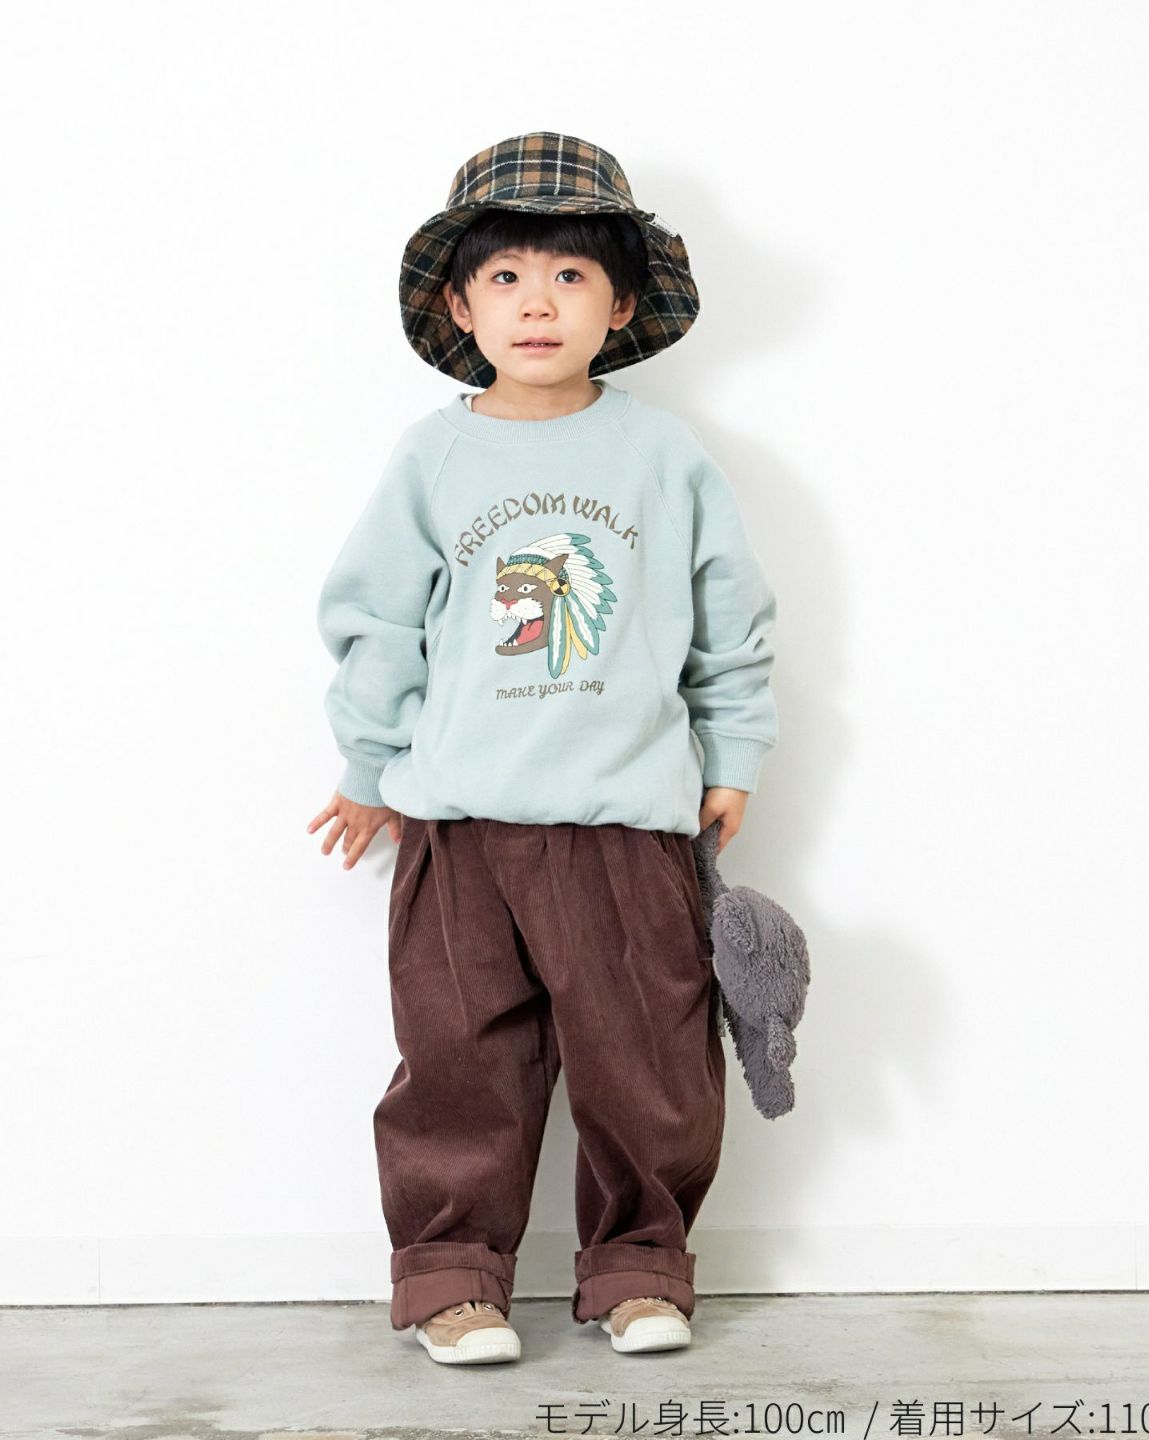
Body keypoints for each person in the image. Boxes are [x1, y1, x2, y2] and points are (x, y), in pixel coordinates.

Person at [309, 131, 778, 1365]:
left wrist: (731, 753)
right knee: (457, 1062)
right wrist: (367, 768)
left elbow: (729, 619)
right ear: (462, 306)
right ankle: (452, 1276)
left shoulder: (663, 457)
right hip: (459, 823)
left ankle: (639, 1268)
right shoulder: (435, 456)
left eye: (570, 276)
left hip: (626, 822)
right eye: (506, 276)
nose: (537, 303)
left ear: (618, 306)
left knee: (649, 1064)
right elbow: (379, 623)